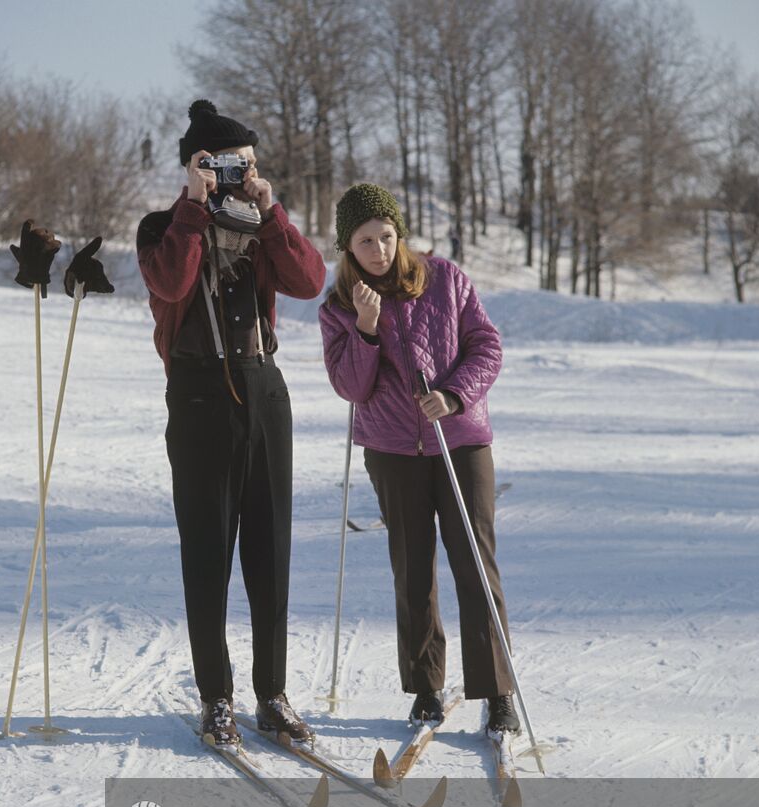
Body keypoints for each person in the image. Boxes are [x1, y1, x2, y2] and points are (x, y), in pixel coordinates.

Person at [137, 100, 325, 747]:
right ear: (193, 164)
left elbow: (308, 279)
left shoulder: (261, 226)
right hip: (195, 393)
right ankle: (217, 697)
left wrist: (269, 210)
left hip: (263, 387)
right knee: (207, 552)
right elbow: (170, 281)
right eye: (214, 164)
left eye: (239, 164)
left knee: (270, 550)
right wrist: (193, 203)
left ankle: (271, 693)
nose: (227, 174)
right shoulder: (162, 226)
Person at [319, 183, 520, 735]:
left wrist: (454, 394)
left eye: (386, 236)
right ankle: (426, 688)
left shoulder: (445, 279)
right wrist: (364, 329)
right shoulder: (339, 309)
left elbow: (487, 346)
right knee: (412, 570)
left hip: (460, 441)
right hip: (392, 449)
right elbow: (351, 388)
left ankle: (497, 692)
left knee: (475, 566)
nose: (379, 250)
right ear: (347, 248)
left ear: (399, 234)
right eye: (365, 241)